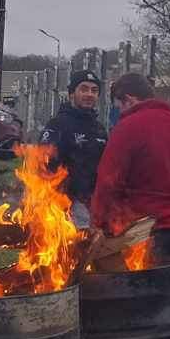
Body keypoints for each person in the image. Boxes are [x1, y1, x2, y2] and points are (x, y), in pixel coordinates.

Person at [91, 73, 170, 269]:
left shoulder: (126, 128)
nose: (119, 112)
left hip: (140, 235)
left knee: (138, 296)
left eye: (119, 106)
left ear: (128, 99)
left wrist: (99, 224)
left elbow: (108, 183)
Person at [40, 70, 109, 227]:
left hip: (94, 204)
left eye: (94, 90)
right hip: (66, 205)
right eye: (83, 89)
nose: (89, 94)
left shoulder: (99, 129)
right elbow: (43, 164)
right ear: (72, 93)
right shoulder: (58, 125)